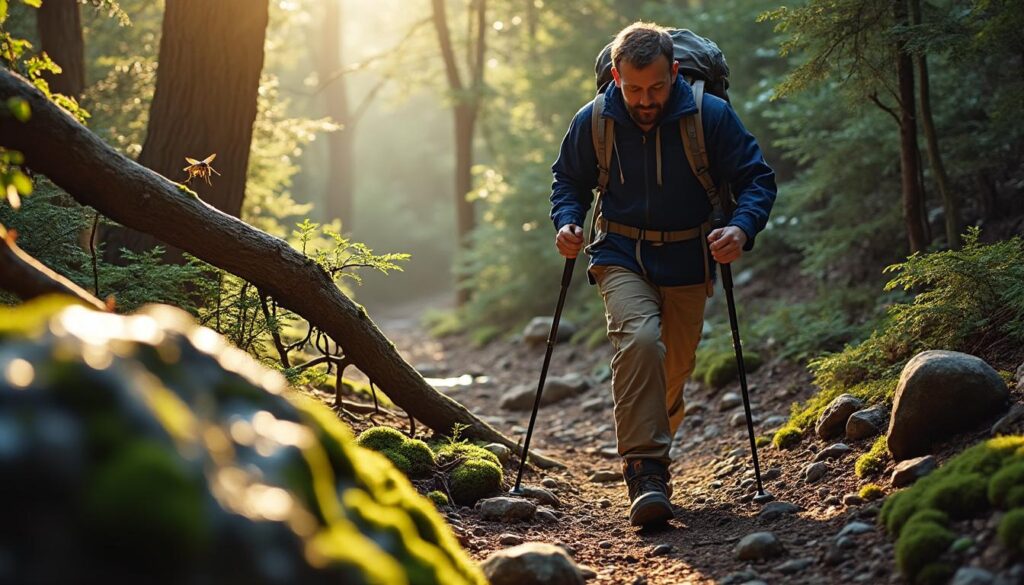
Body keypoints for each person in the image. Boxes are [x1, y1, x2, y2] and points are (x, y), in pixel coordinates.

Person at [549, 21, 777, 527]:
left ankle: (652, 447)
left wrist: (740, 229)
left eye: (655, 87)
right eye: (633, 88)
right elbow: (568, 179)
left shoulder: (709, 116)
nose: (644, 100)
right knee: (640, 342)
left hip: (689, 257)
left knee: (673, 369)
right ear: (616, 75)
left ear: (674, 72)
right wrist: (566, 221)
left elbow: (756, 178)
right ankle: (646, 472)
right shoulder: (596, 120)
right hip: (619, 252)